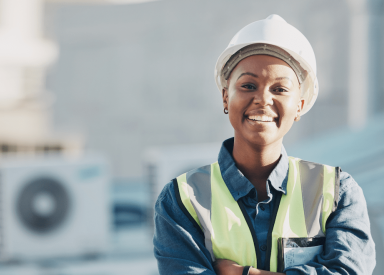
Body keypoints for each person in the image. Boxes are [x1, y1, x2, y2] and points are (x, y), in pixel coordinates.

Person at [153, 15, 376, 275]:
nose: (262, 99)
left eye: (280, 89)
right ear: (226, 97)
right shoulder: (181, 200)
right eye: (248, 85)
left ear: (300, 105)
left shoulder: (337, 194)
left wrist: (244, 274)